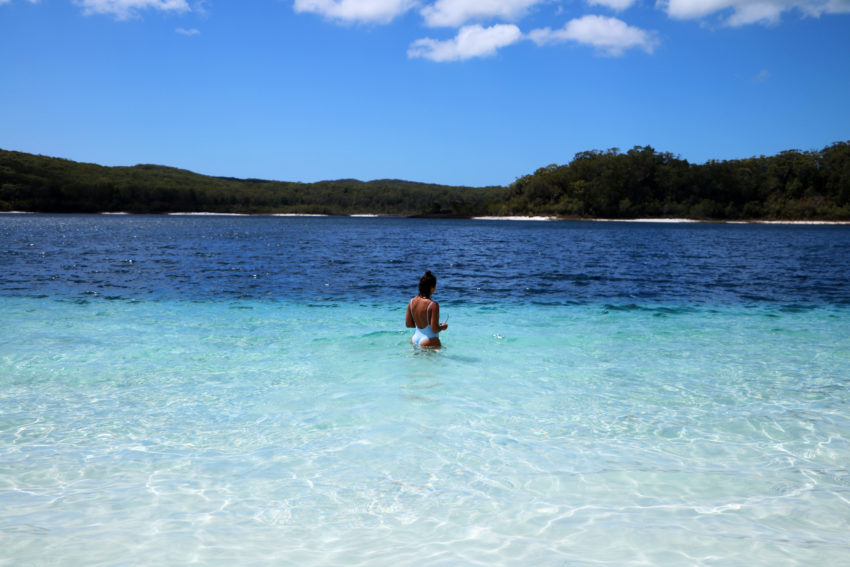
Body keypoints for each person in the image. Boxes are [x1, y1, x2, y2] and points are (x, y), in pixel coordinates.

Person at [406, 270, 448, 348]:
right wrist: (443, 327)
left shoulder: (411, 302)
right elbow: (434, 329)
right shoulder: (433, 305)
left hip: (415, 338)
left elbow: (409, 324)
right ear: (431, 288)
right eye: (435, 286)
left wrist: (421, 322)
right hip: (429, 340)